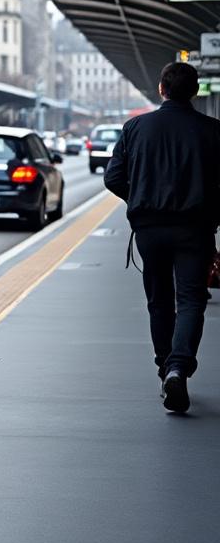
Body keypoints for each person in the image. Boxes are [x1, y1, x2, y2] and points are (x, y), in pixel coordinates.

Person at [105, 62, 220, 414]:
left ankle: (164, 368)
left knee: (159, 300)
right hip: (195, 228)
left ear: (161, 89)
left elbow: (113, 178)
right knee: (191, 300)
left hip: (150, 229)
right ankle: (177, 368)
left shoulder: (136, 127)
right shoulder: (213, 131)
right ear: (196, 91)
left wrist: (140, 198)